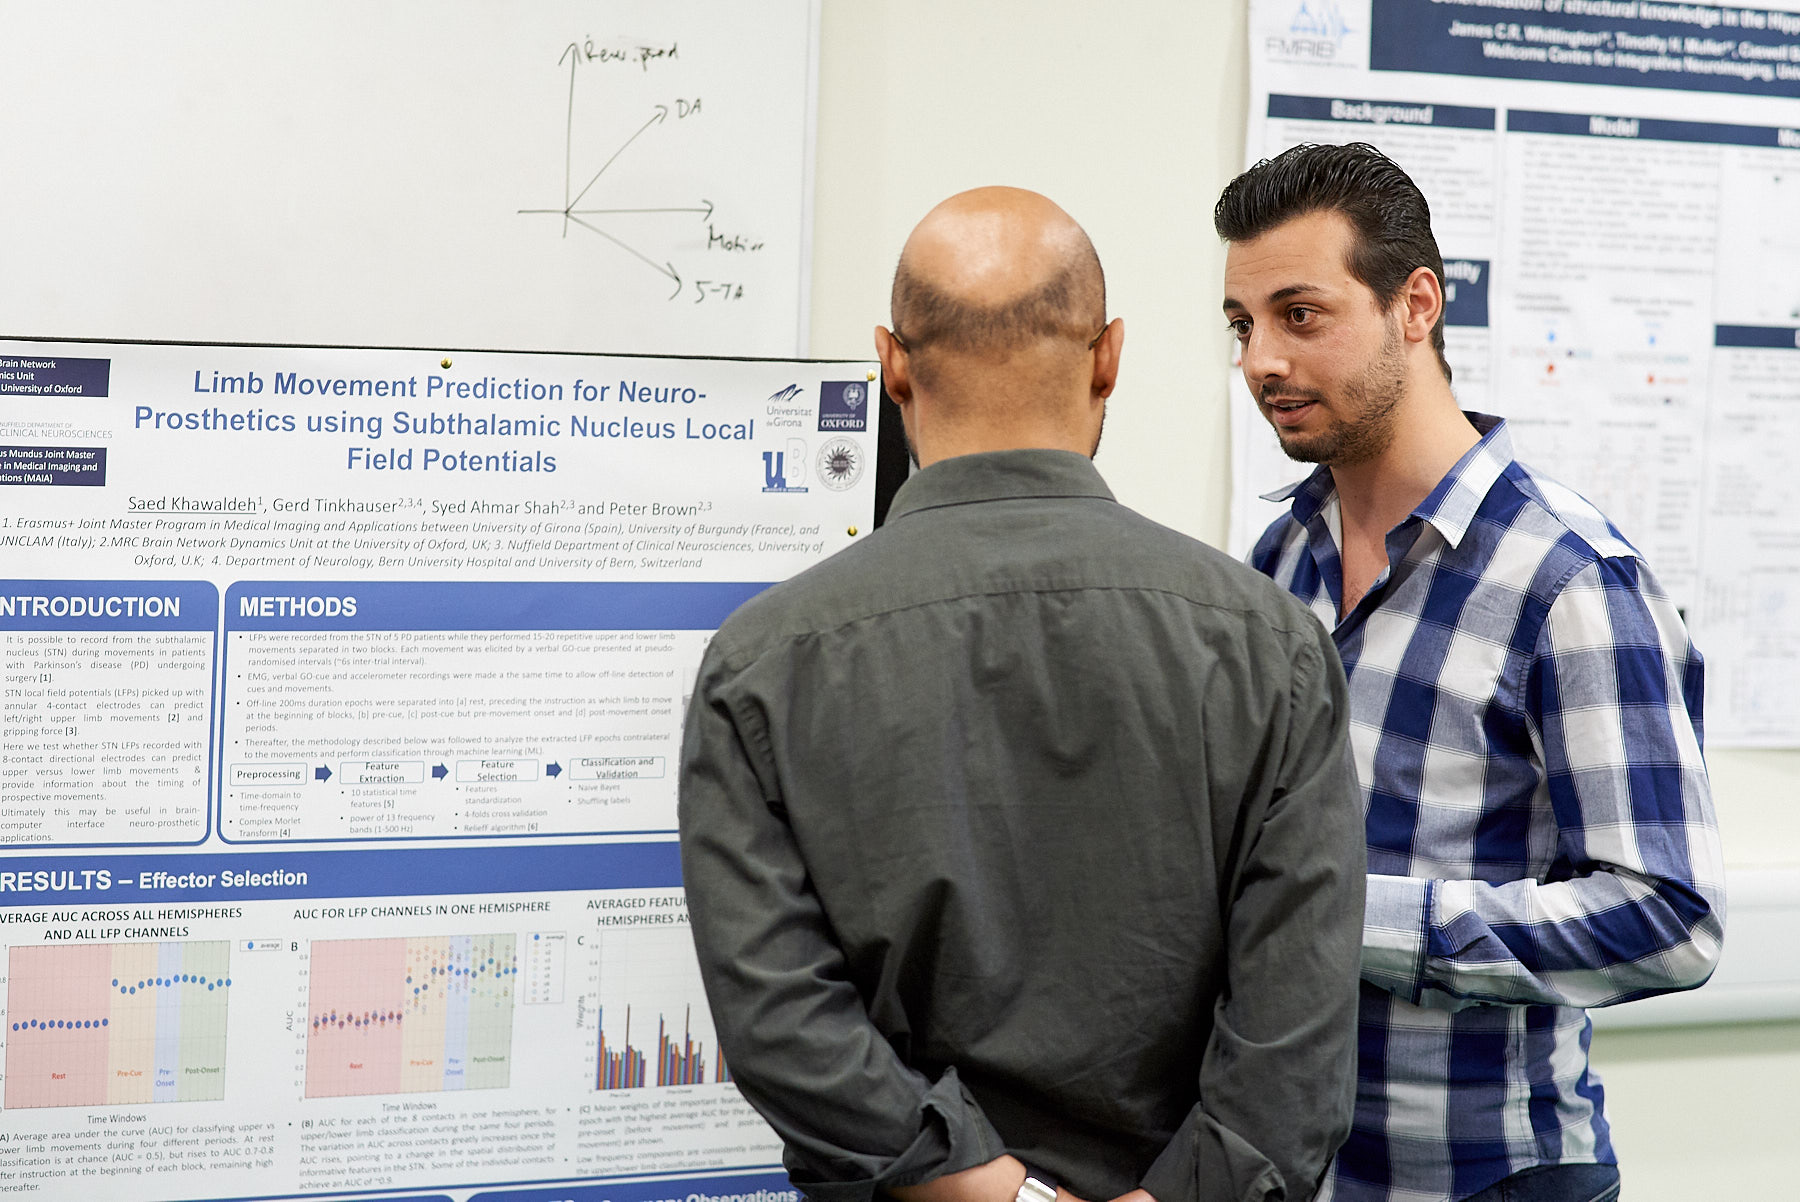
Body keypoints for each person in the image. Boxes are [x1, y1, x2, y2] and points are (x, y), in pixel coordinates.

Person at [679, 186, 1366, 1202]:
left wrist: (999, 1191)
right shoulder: (1273, 648)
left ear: (894, 363)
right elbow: (1296, 1034)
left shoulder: (761, 663)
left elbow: (781, 1017)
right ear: (1109, 359)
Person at [1216, 142, 1726, 1202]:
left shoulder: (1571, 578)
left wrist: (1352, 919)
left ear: (1416, 305)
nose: (1261, 359)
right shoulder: (1279, 561)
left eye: (1299, 315)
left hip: (1492, 1177)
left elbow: (1672, 916)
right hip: (1295, 1167)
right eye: (1243, 324)